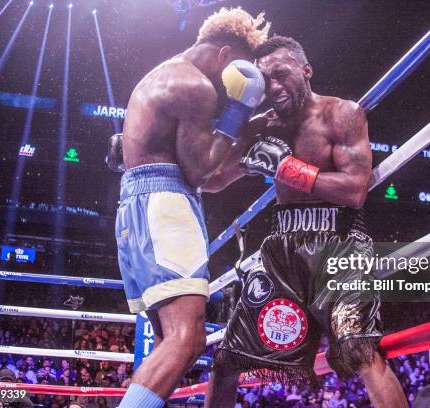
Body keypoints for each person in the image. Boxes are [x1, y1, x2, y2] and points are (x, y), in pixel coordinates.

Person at [203, 36, 406, 408]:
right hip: (283, 250)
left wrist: (287, 169)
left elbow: (354, 190)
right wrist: (236, 123)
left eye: (282, 74)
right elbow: (212, 180)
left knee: (359, 351)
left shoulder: (341, 114)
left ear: (306, 70)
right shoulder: (261, 127)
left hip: (340, 243)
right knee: (226, 360)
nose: (275, 87)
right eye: (266, 81)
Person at [109, 7, 270, 408]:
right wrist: (240, 112)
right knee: (187, 338)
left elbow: (208, 175)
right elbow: (199, 172)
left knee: (168, 342)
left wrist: (246, 147)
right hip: (164, 207)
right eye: (238, 67)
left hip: (140, 207)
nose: (234, 79)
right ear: (223, 54)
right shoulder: (196, 85)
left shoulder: (165, 73)